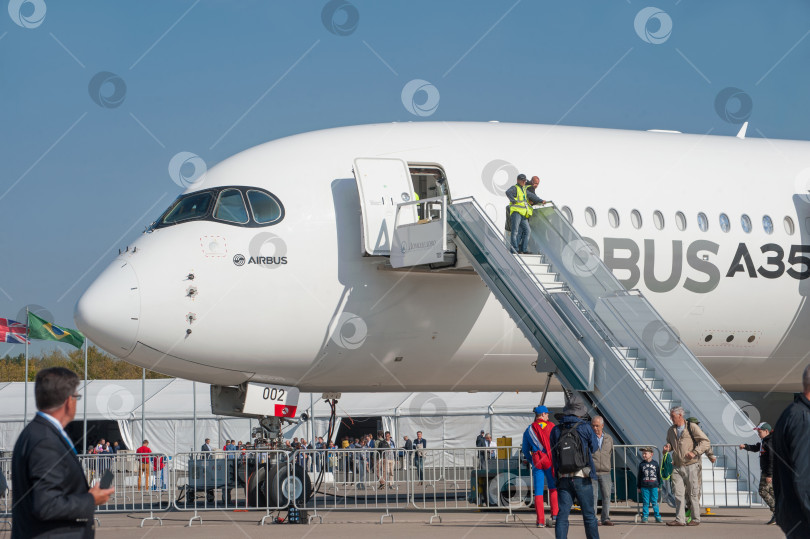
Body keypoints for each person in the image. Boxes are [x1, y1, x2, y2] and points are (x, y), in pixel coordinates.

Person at [11, 367, 114, 538]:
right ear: (68, 401)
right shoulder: (46, 441)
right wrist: (91, 499)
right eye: (76, 396)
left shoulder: (37, 432)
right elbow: (47, 505)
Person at [549, 392, 599, 539]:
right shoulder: (585, 428)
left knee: (562, 516)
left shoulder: (556, 430)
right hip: (582, 477)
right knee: (589, 516)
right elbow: (594, 447)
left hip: (564, 477)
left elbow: (553, 454)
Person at [772, 364, 810, 538]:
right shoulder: (804, 420)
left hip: (794, 515)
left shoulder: (790, 413)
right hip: (803, 519)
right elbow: (804, 477)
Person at [665, 406, 709, 527]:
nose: (671, 418)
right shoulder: (671, 430)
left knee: (692, 493)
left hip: (691, 465)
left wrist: (695, 452)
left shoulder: (691, 427)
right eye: (671, 416)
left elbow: (705, 442)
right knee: (678, 494)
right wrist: (668, 447)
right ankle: (680, 519)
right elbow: (671, 444)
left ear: (680, 415)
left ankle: (696, 518)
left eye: (673, 416)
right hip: (677, 466)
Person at [522, 405, 559, 528]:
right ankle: (555, 516)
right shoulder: (552, 427)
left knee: (538, 491)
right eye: (547, 414)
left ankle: (540, 521)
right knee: (553, 487)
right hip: (549, 460)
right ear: (542, 414)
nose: (548, 415)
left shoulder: (529, 430)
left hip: (537, 460)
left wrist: (532, 461)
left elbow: (525, 449)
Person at [739, 421, 776, 524]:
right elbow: (756, 448)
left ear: (766, 431)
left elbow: (772, 459)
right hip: (766, 471)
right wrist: (745, 446)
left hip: (768, 472)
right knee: (772, 492)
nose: (758, 433)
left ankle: (777, 512)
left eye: (759, 432)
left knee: (762, 491)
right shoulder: (764, 441)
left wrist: (769, 474)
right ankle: (780, 512)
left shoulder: (770, 442)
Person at [505, 173, 544, 254]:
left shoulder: (524, 189)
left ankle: (524, 249)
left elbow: (532, 196)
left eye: (524, 180)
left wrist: (541, 200)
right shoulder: (515, 188)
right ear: (518, 180)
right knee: (515, 231)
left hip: (523, 213)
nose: (523, 182)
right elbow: (508, 192)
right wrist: (512, 200)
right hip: (516, 212)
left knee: (527, 231)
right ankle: (514, 249)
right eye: (522, 180)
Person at [590, 416, 614, 526]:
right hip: (593, 471)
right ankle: (594, 518)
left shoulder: (609, 438)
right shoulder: (589, 438)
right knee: (593, 496)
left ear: (602, 426)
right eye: (593, 426)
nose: (595, 428)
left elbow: (609, 453)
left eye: (597, 426)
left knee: (607, 495)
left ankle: (606, 518)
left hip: (605, 471)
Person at [637, 447, 662, 523]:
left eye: (645, 453)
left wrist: (659, 485)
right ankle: (645, 516)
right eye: (643, 453)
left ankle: (657, 516)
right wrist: (638, 486)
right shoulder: (641, 464)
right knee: (645, 502)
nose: (644, 455)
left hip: (654, 486)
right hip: (644, 486)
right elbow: (639, 476)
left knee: (654, 502)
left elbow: (658, 475)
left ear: (651, 454)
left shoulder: (655, 464)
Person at [659, 443, 676, 507]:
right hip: (675, 474)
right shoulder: (668, 454)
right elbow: (665, 454)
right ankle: (682, 511)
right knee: (678, 493)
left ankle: (689, 509)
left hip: (683, 471)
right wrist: (665, 450)